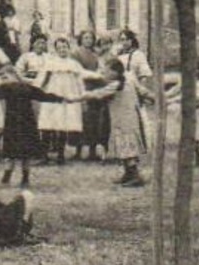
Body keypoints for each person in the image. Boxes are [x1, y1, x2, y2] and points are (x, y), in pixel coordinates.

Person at [0, 64, 77, 188]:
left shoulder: (7, 88)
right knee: (26, 153)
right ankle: (24, 179)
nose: (3, 79)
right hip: (28, 124)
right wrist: (62, 99)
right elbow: (44, 96)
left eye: (5, 76)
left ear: (12, 75)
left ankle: (7, 178)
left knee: (10, 154)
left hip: (13, 125)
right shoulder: (27, 88)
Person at [82, 56, 149, 187]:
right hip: (128, 119)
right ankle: (128, 174)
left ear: (115, 72)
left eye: (106, 71)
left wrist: (78, 95)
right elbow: (143, 91)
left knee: (128, 147)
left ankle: (135, 176)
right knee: (124, 146)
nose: (104, 74)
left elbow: (98, 94)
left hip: (125, 121)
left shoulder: (115, 84)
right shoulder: (129, 78)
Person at [36, 35, 88, 165]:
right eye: (59, 48)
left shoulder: (74, 64)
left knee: (63, 125)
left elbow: (80, 81)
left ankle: (60, 155)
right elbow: (42, 78)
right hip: (52, 94)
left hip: (68, 95)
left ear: (69, 48)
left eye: (64, 47)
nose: (62, 50)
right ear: (55, 50)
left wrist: (83, 96)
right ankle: (44, 155)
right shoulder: (50, 63)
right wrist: (36, 91)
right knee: (47, 124)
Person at [73, 29, 110, 162]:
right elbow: (76, 70)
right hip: (82, 86)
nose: (88, 40)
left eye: (90, 38)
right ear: (81, 39)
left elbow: (101, 68)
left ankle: (92, 151)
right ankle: (78, 150)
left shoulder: (96, 54)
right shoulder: (76, 53)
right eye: (85, 38)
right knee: (80, 119)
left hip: (95, 88)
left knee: (93, 121)